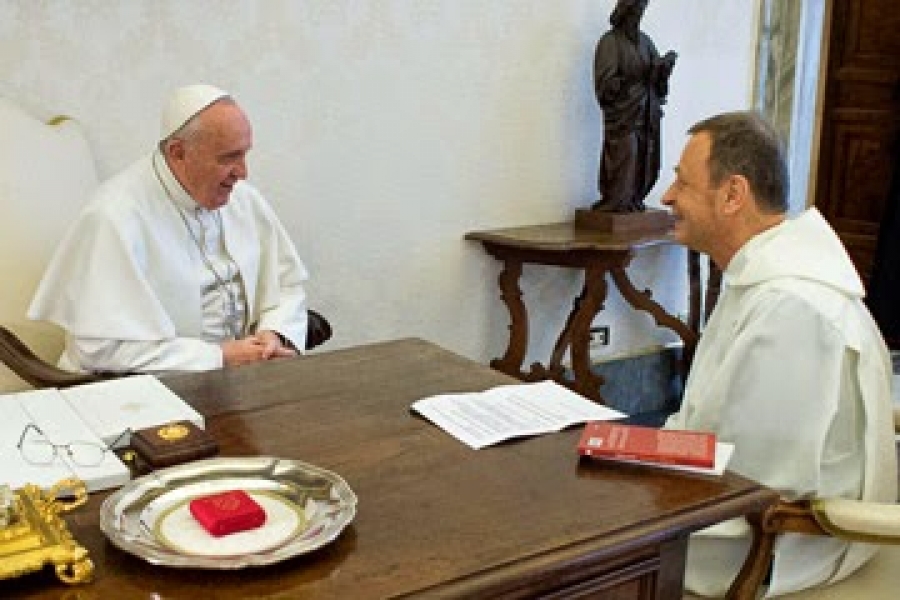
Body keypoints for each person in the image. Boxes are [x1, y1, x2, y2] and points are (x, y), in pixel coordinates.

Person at [662, 111, 897, 597]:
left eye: (682, 183)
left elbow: (761, 486)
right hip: (723, 505)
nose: (667, 197)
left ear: (733, 195)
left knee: (574, 562)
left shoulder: (792, 308)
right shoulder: (761, 278)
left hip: (774, 547)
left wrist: (643, 501)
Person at [28, 84, 311, 372]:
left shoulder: (243, 200)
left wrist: (274, 333)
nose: (242, 173)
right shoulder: (114, 216)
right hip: (141, 392)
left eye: (244, 154)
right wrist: (220, 357)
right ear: (178, 152)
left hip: (244, 378)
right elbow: (100, 351)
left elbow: (287, 285)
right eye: (228, 158)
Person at [592, 0, 676, 212]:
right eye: (635, 11)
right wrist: (633, 78)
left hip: (647, 114)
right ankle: (618, 202)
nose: (638, 16)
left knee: (646, 160)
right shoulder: (610, 42)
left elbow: (657, 80)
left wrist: (663, 70)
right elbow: (605, 85)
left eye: (641, 11)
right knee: (625, 158)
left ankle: (635, 200)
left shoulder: (646, 42)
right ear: (625, 12)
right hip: (624, 117)